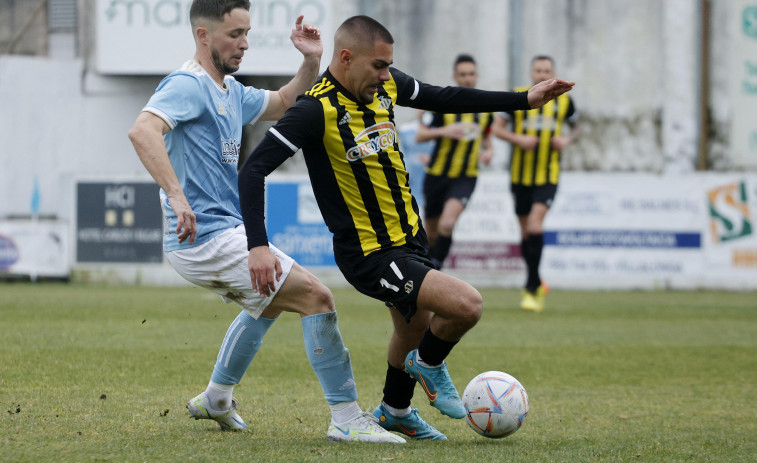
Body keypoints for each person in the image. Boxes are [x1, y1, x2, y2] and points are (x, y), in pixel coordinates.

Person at [238, 16, 574, 440]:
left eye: (388, 65)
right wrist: (258, 245)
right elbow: (252, 171)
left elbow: (447, 97)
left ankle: (394, 411)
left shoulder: (385, 85)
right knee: (466, 305)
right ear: (346, 58)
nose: (386, 74)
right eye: (378, 65)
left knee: (413, 328)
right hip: (370, 253)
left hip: (411, 239)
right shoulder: (315, 109)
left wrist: (524, 99)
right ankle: (429, 365)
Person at [127, 1, 404, 444]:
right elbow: (143, 131)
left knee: (270, 301)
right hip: (203, 238)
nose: (245, 43)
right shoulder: (187, 85)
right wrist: (177, 197)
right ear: (203, 36)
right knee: (316, 296)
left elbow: (285, 101)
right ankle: (347, 418)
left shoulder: (230, 90)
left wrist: (311, 60)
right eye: (234, 34)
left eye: (247, 32)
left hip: (221, 231)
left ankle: (216, 397)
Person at [491, 55, 579, 313]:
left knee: (535, 225)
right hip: (520, 176)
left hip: (547, 176)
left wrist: (566, 140)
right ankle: (537, 281)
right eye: (538, 70)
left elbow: (575, 129)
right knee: (526, 234)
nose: (542, 75)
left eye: (546, 71)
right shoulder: (518, 96)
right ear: (531, 72)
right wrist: (518, 139)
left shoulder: (565, 101)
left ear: (553, 73)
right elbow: (496, 129)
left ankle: (530, 289)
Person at [415, 54, 494, 270]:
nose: (468, 78)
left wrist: (489, 151)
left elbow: (486, 136)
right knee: (430, 233)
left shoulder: (486, 108)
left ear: (476, 76)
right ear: (455, 77)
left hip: (465, 176)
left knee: (447, 224)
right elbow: (420, 135)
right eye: (463, 75)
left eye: (471, 74)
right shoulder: (442, 104)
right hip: (436, 175)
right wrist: (445, 131)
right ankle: (427, 274)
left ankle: (436, 274)